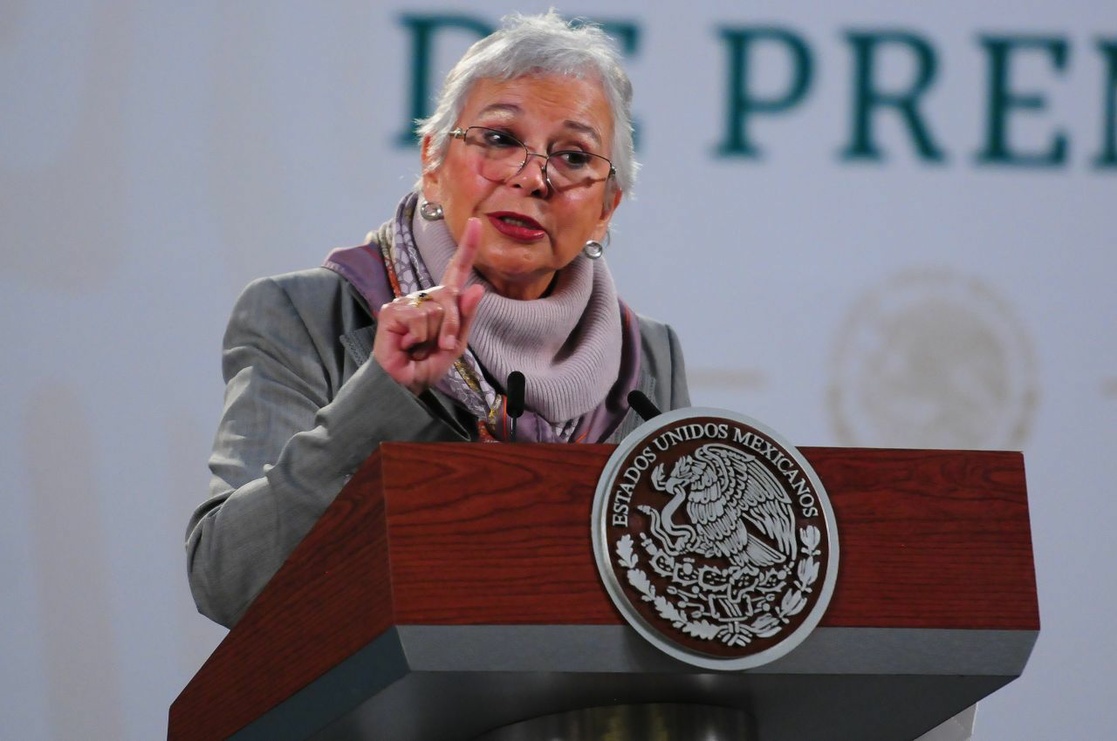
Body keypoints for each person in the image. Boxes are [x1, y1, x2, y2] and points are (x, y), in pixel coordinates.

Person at [186, 11, 690, 628]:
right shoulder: (307, 314)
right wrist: (378, 397)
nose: (533, 178)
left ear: (607, 208)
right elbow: (226, 578)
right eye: (502, 139)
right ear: (432, 161)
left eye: (574, 156)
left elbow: (676, 592)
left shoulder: (650, 358)